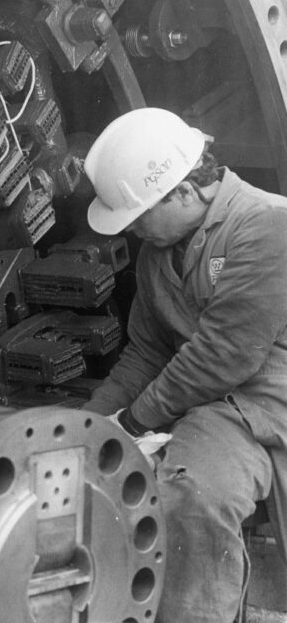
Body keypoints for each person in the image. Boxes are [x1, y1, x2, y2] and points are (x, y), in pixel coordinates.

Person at [80, 107, 287, 622]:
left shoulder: (268, 225)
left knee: (192, 493)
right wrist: (86, 425)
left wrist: (129, 424)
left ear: (181, 190)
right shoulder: (158, 256)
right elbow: (146, 353)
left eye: (138, 215)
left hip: (266, 407)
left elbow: (223, 356)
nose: (133, 231)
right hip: (217, 406)